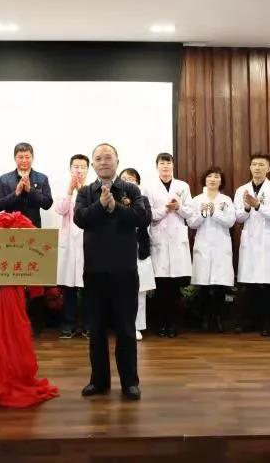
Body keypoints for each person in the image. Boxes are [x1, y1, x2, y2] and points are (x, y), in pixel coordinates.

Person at [74, 143, 150, 401]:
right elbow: (80, 219)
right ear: (93, 164)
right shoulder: (86, 192)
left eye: (108, 157)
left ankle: (130, 383)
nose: (104, 162)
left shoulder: (131, 189)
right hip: (94, 271)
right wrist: (100, 205)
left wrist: (115, 207)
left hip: (124, 270)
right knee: (96, 329)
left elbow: (141, 217)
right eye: (98, 158)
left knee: (126, 329)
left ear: (117, 160)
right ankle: (98, 381)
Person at [0, 142, 53, 335]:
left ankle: (36, 323)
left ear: (32, 158)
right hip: (11, 235)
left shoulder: (41, 178)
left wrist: (30, 191)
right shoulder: (5, 179)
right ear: (15, 158)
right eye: (20, 157)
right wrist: (17, 192)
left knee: (35, 279)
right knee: (12, 279)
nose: (24, 160)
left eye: (27, 157)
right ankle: (12, 321)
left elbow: (47, 203)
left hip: (33, 234)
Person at [233, 153, 270, 337]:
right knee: (250, 285)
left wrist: (258, 206)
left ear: (268, 168)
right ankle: (250, 321)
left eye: (261, 165)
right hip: (249, 241)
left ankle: (268, 323)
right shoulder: (242, 190)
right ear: (250, 167)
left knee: (268, 284)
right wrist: (247, 207)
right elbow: (238, 218)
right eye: (254, 164)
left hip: (268, 241)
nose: (257, 167)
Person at [147, 152, 192, 338]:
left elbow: (189, 212)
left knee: (174, 288)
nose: (165, 166)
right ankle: (161, 324)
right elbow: (149, 214)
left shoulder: (183, 186)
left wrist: (178, 207)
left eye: (168, 163)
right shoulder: (149, 187)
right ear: (157, 166)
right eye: (162, 163)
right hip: (159, 240)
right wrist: (166, 208)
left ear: (173, 165)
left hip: (176, 241)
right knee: (161, 288)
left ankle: (173, 325)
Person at [186, 167, 236, 332]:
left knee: (220, 285)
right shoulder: (197, 200)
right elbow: (192, 223)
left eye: (216, 177)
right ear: (205, 179)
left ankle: (218, 318)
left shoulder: (226, 200)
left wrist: (215, 213)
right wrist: (202, 214)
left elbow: (231, 221)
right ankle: (205, 318)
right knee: (204, 285)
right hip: (203, 245)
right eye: (209, 176)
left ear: (221, 181)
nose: (213, 179)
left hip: (221, 246)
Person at [118, 168, 155, 341]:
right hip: (119, 250)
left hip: (139, 249)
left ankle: (137, 326)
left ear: (138, 183)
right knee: (120, 291)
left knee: (139, 291)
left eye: (131, 179)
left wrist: (132, 205)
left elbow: (145, 220)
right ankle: (122, 326)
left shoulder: (143, 200)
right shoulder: (114, 198)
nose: (128, 181)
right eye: (124, 178)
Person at [55, 154, 89, 339]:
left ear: (88, 170)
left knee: (88, 288)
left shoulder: (93, 189)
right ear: (70, 169)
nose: (79, 170)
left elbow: (94, 211)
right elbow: (60, 210)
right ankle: (68, 325)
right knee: (69, 288)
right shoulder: (63, 189)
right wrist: (70, 191)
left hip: (87, 244)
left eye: (83, 167)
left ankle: (88, 325)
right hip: (68, 244)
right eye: (76, 167)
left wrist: (82, 191)